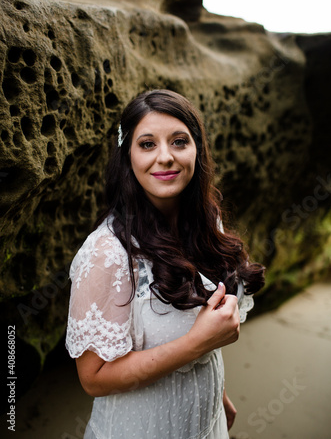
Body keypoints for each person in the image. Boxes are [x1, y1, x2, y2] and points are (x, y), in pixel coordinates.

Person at [65, 89, 265, 438]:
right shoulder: (106, 254)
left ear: (197, 150)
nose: (165, 157)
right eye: (147, 144)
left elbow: (194, 322)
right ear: (127, 155)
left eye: (178, 141)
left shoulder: (206, 223)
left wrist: (218, 394)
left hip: (204, 423)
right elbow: (93, 378)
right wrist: (196, 344)